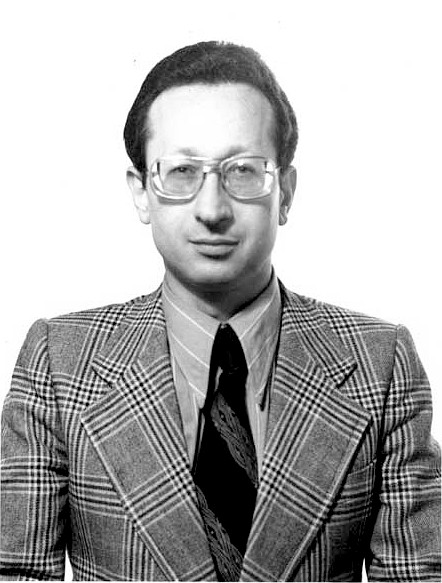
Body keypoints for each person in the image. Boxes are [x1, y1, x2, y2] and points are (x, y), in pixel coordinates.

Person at [0, 40, 440, 583]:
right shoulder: (59, 362)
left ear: (285, 192)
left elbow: (419, 575)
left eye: (243, 171)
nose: (211, 209)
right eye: (182, 172)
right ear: (141, 192)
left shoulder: (380, 363)